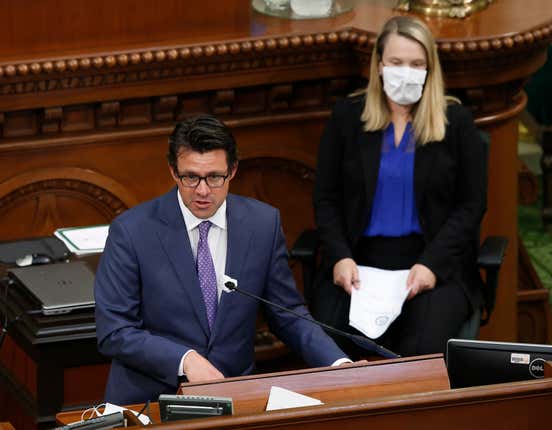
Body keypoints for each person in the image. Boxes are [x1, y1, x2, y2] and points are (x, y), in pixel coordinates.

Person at [95, 115, 349, 404]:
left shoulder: (262, 223)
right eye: (191, 177)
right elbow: (114, 330)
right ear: (173, 171)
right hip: (151, 399)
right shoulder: (132, 231)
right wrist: (185, 360)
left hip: (234, 396)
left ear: (233, 170)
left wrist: (338, 365)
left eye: (215, 177)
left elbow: (286, 311)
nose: (203, 191)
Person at [310, 16, 487, 358]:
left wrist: (432, 265)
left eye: (416, 64)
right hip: (359, 259)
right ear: (379, 65)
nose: (406, 71)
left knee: (419, 356)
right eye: (396, 63)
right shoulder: (347, 117)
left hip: (431, 259)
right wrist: (339, 257)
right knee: (331, 350)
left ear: (430, 70)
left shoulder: (457, 123)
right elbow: (326, 198)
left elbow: (472, 205)